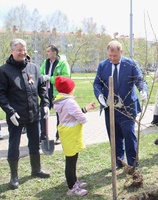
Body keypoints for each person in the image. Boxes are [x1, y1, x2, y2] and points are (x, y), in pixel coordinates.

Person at [0, 38, 51, 190]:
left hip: (33, 114)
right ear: (12, 51)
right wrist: (10, 112)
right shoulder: (4, 71)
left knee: (34, 142)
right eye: (19, 50)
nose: (23, 53)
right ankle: (14, 176)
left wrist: (46, 104)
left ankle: (36, 169)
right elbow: (1, 94)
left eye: (24, 49)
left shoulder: (33, 68)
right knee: (14, 145)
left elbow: (42, 86)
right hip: (15, 116)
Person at [93, 40, 148, 169]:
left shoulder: (130, 64)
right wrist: (100, 95)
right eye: (110, 56)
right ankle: (118, 161)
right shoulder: (103, 66)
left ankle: (133, 163)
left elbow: (139, 80)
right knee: (114, 135)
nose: (112, 59)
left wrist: (142, 90)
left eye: (115, 56)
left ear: (121, 52)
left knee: (129, 134)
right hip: (110, 108)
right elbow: (97, 83)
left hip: (127, 107)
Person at [53, 76, 96, 196]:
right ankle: (72, 187)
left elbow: (72, 113)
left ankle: (75, 181)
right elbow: (80, 116)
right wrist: (85, 119)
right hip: (71, 134)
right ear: (69, 89)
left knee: (72, 159)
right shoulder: (70, 102)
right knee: (71, 161)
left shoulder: (61, 100)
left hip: (67, 133)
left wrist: (86, 108)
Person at [40, 44, 71, 145]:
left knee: (60, 116)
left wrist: (51, 78)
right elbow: (40, 73)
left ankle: (59, 136)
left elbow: (65, 78)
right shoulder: (46, 62)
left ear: (54, 52)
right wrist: (42, 77)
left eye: (48, 51)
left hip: (58, 94)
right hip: (46, 92)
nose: (47, 53)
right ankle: (43, 137)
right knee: (43, 114)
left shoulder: (62, 63)